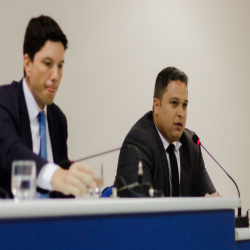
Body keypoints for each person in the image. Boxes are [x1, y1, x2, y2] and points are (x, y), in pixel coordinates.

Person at [0, 15, 96, 198]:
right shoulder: (4, 103)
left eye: (60, 66)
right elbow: (12, 151)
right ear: (28, 64)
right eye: (48, 64)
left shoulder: (58, 119)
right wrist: (56, 175)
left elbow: (60, 191)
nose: (56, 75)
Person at [114, 67, 218, 197]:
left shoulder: (192, 145)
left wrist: (214, 203)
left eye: (184, 105)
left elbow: (211, 198)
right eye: (174, 103)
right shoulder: (138, 143)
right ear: (156, 106)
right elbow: (141, 209)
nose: (181, 113)